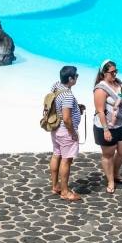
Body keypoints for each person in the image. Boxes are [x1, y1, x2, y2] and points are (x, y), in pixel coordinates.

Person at [92, 60, 122, 193]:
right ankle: (110, 180)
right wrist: (105, 130)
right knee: (108, 154)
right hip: (106, 126)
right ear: (104, 73)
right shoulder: (100, 89)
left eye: (116, 71)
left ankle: (115, 172)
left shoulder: (118, 83)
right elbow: (100, 111)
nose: (115, 74)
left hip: (121, 124)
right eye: (112, 72)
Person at [45, 64, 83, 201]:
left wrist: (76, 109)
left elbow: (59, 107)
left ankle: (55, 186)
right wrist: (73, 132)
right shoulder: (67, 95)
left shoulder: (56, 86)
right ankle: (65, 192)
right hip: (65, 131)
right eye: (76, 76)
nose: (78, 78)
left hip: (55, 129)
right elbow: (67, 119)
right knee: (66, 161)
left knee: (56, 155)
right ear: (71, 79)